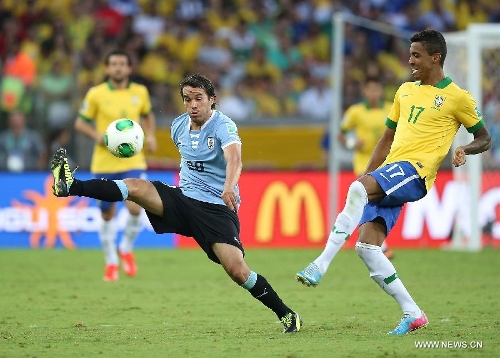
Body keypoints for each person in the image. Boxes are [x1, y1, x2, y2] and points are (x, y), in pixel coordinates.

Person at [50, 73, 302, 333]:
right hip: (182, 200)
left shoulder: (223, 126)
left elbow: (235, 160)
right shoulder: (178, 126)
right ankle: (70, 185)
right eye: (187, 99)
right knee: (135, 186)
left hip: (215, 209)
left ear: (212, 100)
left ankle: (286, 314)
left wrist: (228, 187)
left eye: (198, 99)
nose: (193, 105)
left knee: (238, 271)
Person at [296, 29, 491, 335]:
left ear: (435, 57)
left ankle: (320, 264)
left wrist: (465, 148)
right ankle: (413, 313)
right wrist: (366, 176)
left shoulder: (458, 97)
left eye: (416, 55)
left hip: (416, 172)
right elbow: (386, 140)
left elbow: (485, 137)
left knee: (358, 194)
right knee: (367, 248)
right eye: (410, 54)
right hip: (391, 170)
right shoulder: (405, 91)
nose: (410, 60)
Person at [73, 49, 157, 282]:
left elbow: (147, 115)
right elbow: (80, 122)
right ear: (107, 68)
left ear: (130, 68)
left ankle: (126, 248)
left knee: (135, 207)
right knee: (107, 213)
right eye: (114, 64)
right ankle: (111, 261)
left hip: (133, 160)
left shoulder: (140, 92)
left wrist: (150, 135)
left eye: (122, 63)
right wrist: (97, 136)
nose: (118, 67)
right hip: (104, 163)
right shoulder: (96, 94)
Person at [322, 76, 395, 260]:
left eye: (377, 89)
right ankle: (380, 246)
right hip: (365, 163)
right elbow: (339, 133)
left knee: (377, 203)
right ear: (364, 92)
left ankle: (368, 241)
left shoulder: (390, 109)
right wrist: (352, 143)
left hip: (387, 163)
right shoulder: (356, 112)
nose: (374, 93)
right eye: (370, 90)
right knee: (368, 201)